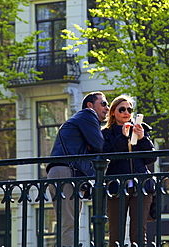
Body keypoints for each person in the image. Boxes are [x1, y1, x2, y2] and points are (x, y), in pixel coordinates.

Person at [46, 91, 109, 247]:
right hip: (66, 172)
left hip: (62, 172)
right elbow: (99, 145)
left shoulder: (80, 120)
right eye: (103, 103)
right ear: (90, 105)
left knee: (67, 221)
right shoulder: (88, 115)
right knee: (69, 222)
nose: (107, 108)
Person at [102, 95, 156, 247]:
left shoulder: (141, 129)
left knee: (139, 233)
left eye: (129, 109)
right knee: (115, 233)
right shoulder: (106, 133)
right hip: (117, 186)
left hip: (141, 186)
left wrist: (143, 138)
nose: (126, 112)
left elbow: (151, 159)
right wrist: (122, 136)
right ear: (113, 112)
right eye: (122, 109)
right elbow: (108, 157)